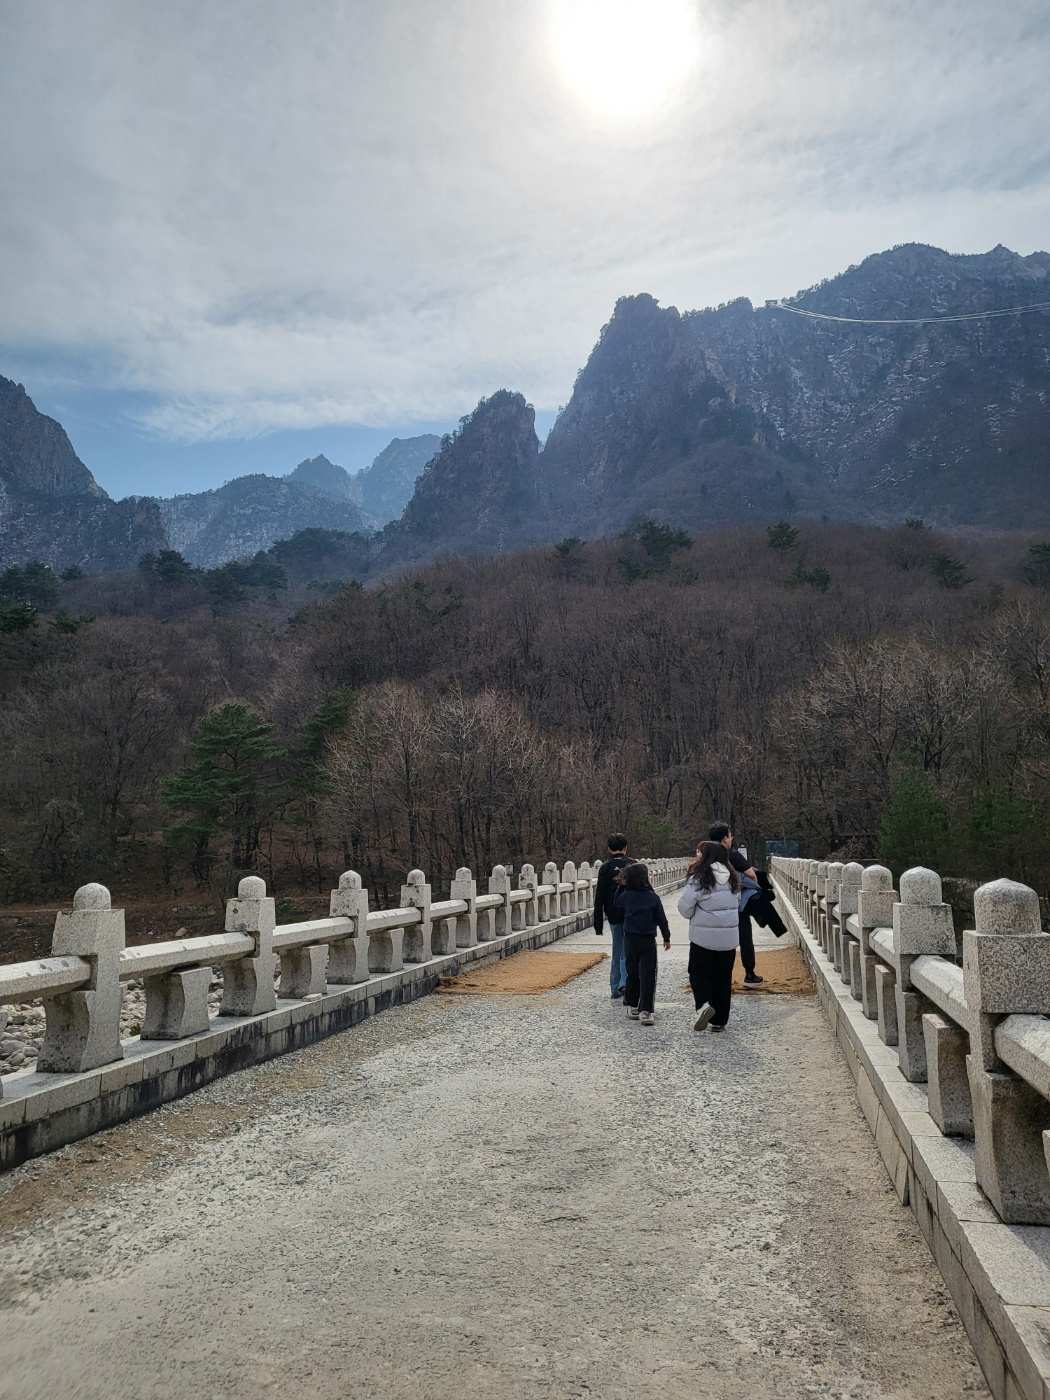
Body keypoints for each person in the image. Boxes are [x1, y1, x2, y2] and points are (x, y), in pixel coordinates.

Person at [678, 840, 741, 1032]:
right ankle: (720, 1020)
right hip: (728, 940)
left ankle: (704, 1005)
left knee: (698, 973)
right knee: (722, 977)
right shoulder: (733, 878)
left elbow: (684, 908)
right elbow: (737, 902)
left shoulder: (699, 878)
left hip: (703, 939)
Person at [707, 821, 765, 988]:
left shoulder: (706, 857)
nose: (731, 838)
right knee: (744, 938)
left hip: (712, 906)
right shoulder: (733, 856)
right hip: (736, 905)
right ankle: (749, 974)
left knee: (716, 941)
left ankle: (717, 977)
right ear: (725, 839)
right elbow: (751, 875)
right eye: (730, 835)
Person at [613, 861, 671, 1026]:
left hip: (630, 939)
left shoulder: (626, 896)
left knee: (632, 972)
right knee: (648, 974)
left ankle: (632, 1004)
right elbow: (662, 919)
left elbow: (616, 901)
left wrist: (621, 886)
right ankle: (645, 1009)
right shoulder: (652, 897)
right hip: (647, 940)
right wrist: (666, 937)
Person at [593, 834, 631, 1000]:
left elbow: (599, 895)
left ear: (608, 849)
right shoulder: (633, 864)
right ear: (625, 848)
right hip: (632, 914)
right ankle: (625, 983)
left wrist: (598, 923)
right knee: (628, 951)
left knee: (617, 950)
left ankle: (616, 987)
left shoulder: (606, 867)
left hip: (613, 914)